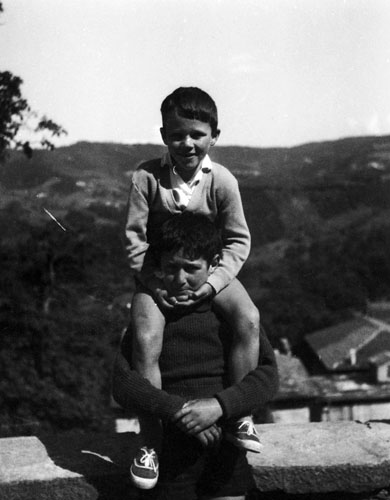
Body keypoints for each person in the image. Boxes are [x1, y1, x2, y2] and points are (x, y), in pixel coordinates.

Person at [124, 87, 261, 483]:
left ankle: (239, 416)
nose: (187, 143)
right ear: (164, 135)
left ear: (214, 136)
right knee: (145, 336)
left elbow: (238, 240)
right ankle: (150, 441)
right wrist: (155, 284)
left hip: (209, 273)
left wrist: (214, 283)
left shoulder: (222, 181)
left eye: (197, 135)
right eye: (177, 134)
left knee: (249, 319)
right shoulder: (146, 177)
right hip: (159, 274)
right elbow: (134, 238)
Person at [113, 213, 279, 499]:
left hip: (226, 448)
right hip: (170, 453)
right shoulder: (150, 317)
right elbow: (124, 384)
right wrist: (179, 412)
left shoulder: (230, 314)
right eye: (171, 267)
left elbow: (267, 378)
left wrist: (219, 406)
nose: (180, 279)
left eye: (191, 269)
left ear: (214, 264)